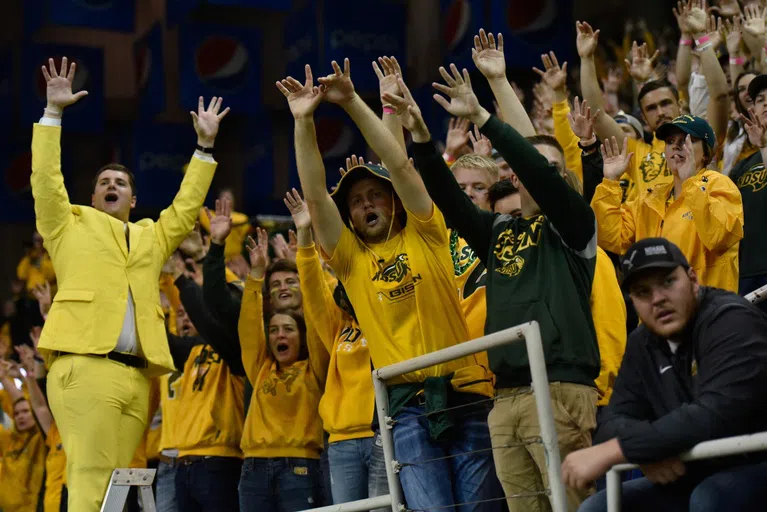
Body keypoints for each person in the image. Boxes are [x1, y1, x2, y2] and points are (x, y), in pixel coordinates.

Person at [385, 46, 599, 508]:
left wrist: (484, 113)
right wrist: (421, 136)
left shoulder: (576, 225)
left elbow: (540, 176)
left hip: (560, 386)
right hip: (505, 399)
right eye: (531, 171)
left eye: (551, 171)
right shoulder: (499, 231)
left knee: (576, 506)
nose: (537, 177)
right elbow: (448, 198)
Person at [278, 61, 498, 512]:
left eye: (375, 195)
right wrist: (304, 121)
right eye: (356, 202)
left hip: (467, 391)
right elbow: (317, 196)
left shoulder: (427, 230)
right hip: (407, 406)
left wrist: (352, 101)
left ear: (395, 200)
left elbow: (398, 163)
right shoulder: (350, 260)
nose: (365, 204)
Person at [31, 57, 229, 511]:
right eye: (104, 182)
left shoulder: (149, 237)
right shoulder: (68, 224)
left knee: (122, 488)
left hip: (138, 375)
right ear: (93, 195)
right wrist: (53, 114)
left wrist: (203, 148)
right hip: (84, 366)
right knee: (89, 480)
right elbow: (45, 181)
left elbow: (182, 213)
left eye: (120, 182)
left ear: (133, 199)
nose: (112, 185)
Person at [563, 238, 767, 512]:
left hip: (754, 462)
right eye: (643, 292)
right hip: (691, 469)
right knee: (597, 506)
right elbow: (612, 421)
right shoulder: (642, 342)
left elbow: (716, 414)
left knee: (710, 498)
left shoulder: (731, 319)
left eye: (668, 282)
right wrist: (649, 451)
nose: (658, 299)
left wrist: (621, 450)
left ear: (693, 279)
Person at [286, 189, 389, 509]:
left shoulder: (388, 316)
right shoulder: (338, 325)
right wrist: (305, 238)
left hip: (382, 435)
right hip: (341, 443)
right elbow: (316, 292)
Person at [578, 6, 728, 203]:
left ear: (680, 104)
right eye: (651, 108)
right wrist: (587, 59)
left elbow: (720, 96)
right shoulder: (637, 153)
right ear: (644, 118)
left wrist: (701, 37)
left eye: (666, 103)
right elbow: (597, 116)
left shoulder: (702, 139)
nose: (660, 112)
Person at [591, 116, 743, 292]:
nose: (677, 146)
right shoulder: (650, 199)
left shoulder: (719, 184)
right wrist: (610, 181)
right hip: (660, 306)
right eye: (670, 141)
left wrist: (690, 182)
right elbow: (610, 237)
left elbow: (720, 238)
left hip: (708, 310)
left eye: (688, 140)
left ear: (706, 153)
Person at [237, 228, 327, 512]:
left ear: (302, 337)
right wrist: (256, 276)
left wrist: (308, 265)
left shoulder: (315, 367)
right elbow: (249, 329)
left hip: (300, 466)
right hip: (253, 468)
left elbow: (318, 317)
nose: (279, 336)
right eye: (274, 330)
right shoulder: (261, 368)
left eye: (288, 329)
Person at [164, 302, 245, 512]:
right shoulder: (192, 352)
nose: (187, 319)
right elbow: (162, 339)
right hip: (183, 464)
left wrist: (181, 281)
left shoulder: (236, 349)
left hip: (220, 461)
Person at [728, 75, 767, 309]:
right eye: (760, 99)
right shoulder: (742, 165)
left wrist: (763, 146)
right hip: (747, 274)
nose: (766, 104)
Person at [0, 360, 47, 512]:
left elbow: (38, 406)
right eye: (17, 413)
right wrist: (2, 377)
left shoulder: (40, 438)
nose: (20, 416)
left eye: (25, 412)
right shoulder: (9, 439)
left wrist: (16, 378)